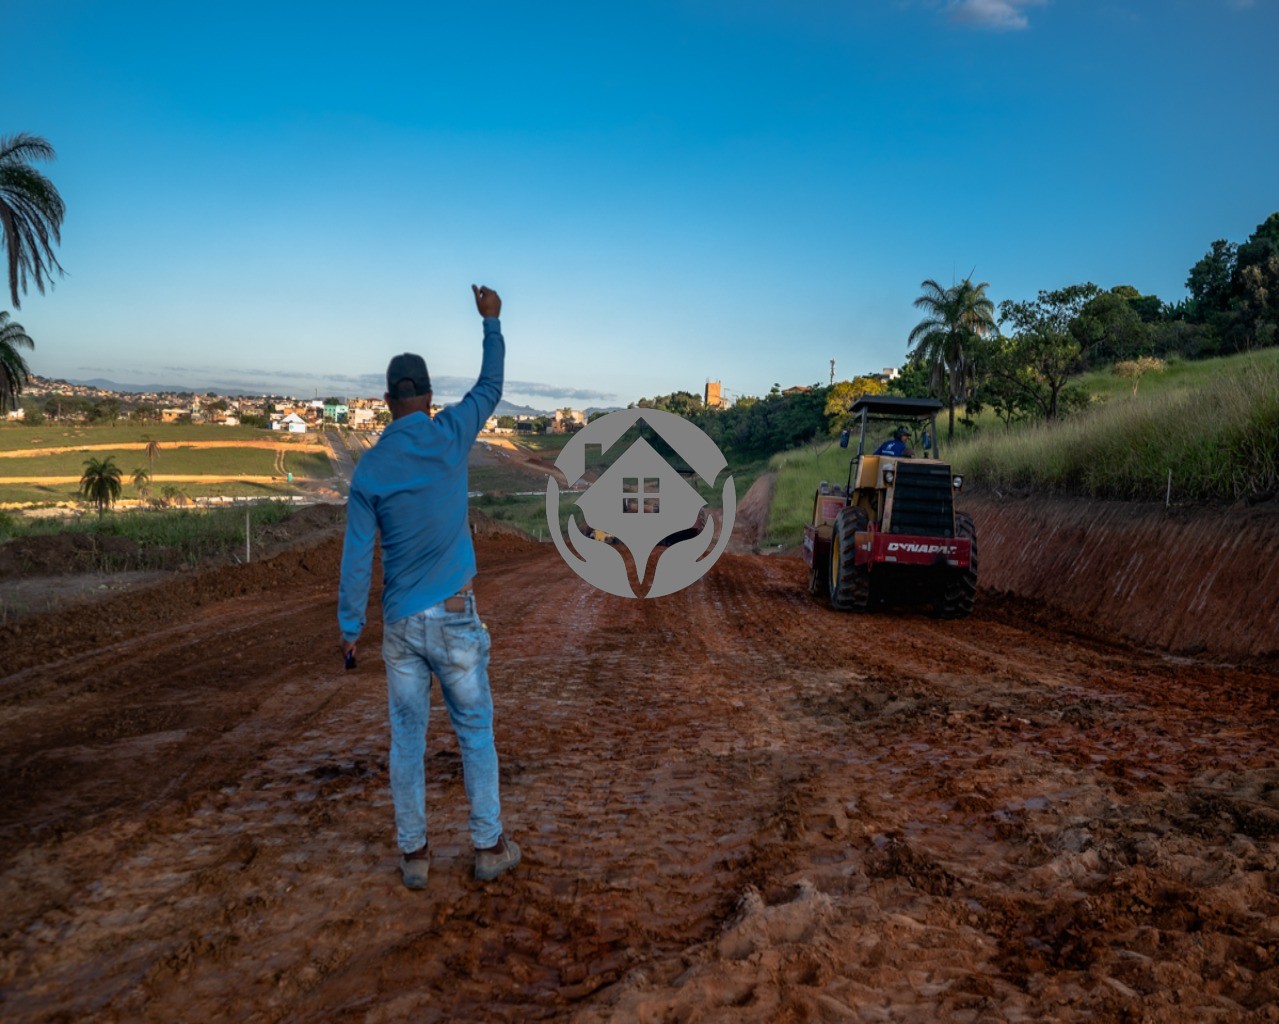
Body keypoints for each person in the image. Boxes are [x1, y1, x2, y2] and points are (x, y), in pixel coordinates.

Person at [338, 284, 520, 890]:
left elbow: (358, 556)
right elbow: (490, 388)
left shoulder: (368, 470)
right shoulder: (449, 435)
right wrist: (491, 322)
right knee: (474, 731)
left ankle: (414, 857)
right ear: (429, 397)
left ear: (387, 401)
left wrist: (348, 630)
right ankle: (489, 846)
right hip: (455, 617)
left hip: (399, 627)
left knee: (408, 741)